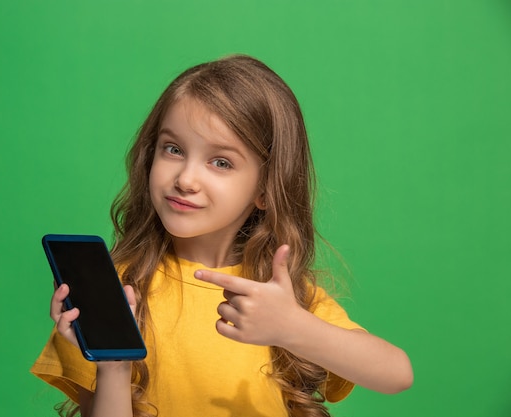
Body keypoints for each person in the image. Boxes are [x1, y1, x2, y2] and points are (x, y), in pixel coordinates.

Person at [30, 54, 413, 417]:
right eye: (173, 149)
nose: (185, 179)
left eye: (221, 162)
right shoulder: (118, 290)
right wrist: (114, 364)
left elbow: (397, 374)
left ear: (265, 189)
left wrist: (293, 327)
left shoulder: (277, 295)